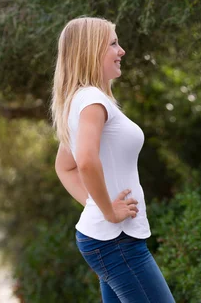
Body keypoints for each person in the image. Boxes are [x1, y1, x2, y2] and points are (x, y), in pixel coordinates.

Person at [51, 17, 175, 303]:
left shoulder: (81, 100)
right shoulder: (92, 101)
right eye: (113, 43)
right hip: (116, 241)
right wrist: (106, 210)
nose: (122, 51)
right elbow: (83, 161)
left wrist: (96, 205)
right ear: (91, 51)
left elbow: (65, 166)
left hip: (110, 239)